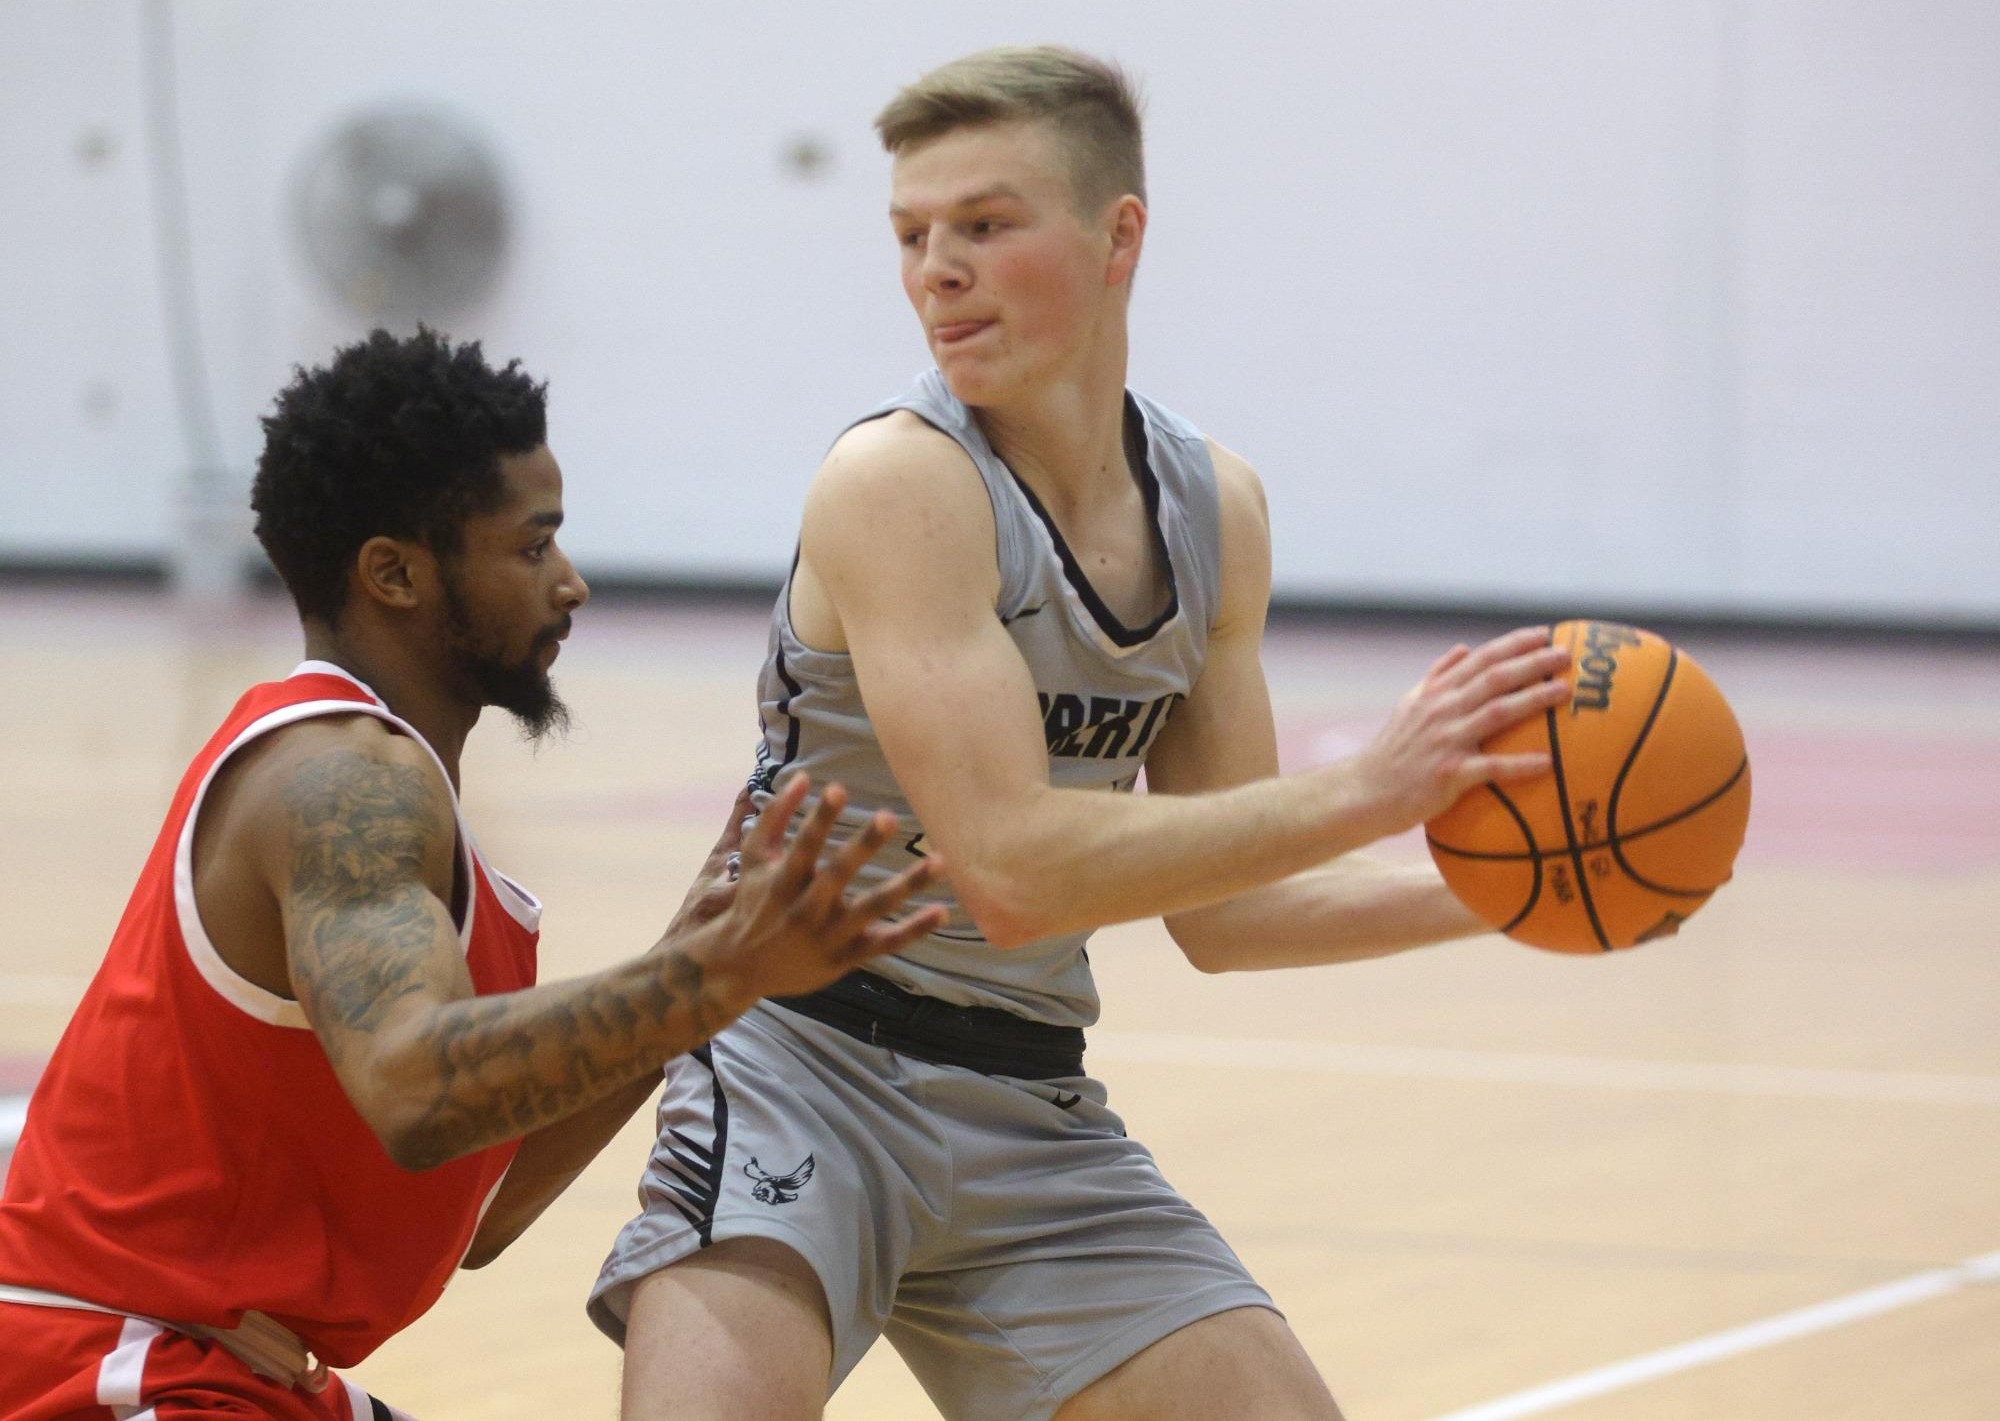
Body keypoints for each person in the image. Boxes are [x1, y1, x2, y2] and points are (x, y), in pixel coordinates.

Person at [591, 47, 1575, 1421]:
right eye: (912, 235)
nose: (937, 268)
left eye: (985, 226)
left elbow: (1231, 915)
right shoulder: (897, 482)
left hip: (1027, 1100)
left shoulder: (1214, 510)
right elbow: (1010, 867)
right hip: (801, 1068)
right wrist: (1372, 787)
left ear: (1122, 235)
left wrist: (1509, 890)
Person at [0, 328, 943, 1421]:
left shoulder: (386, 786)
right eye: (531, 547)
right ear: (393, 572)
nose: (572, 582)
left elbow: (477, 1207)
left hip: (233, 1364)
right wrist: (714, 975)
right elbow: (418, 1086)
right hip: (99, 1369)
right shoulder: (342, 778)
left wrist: (695, 954)